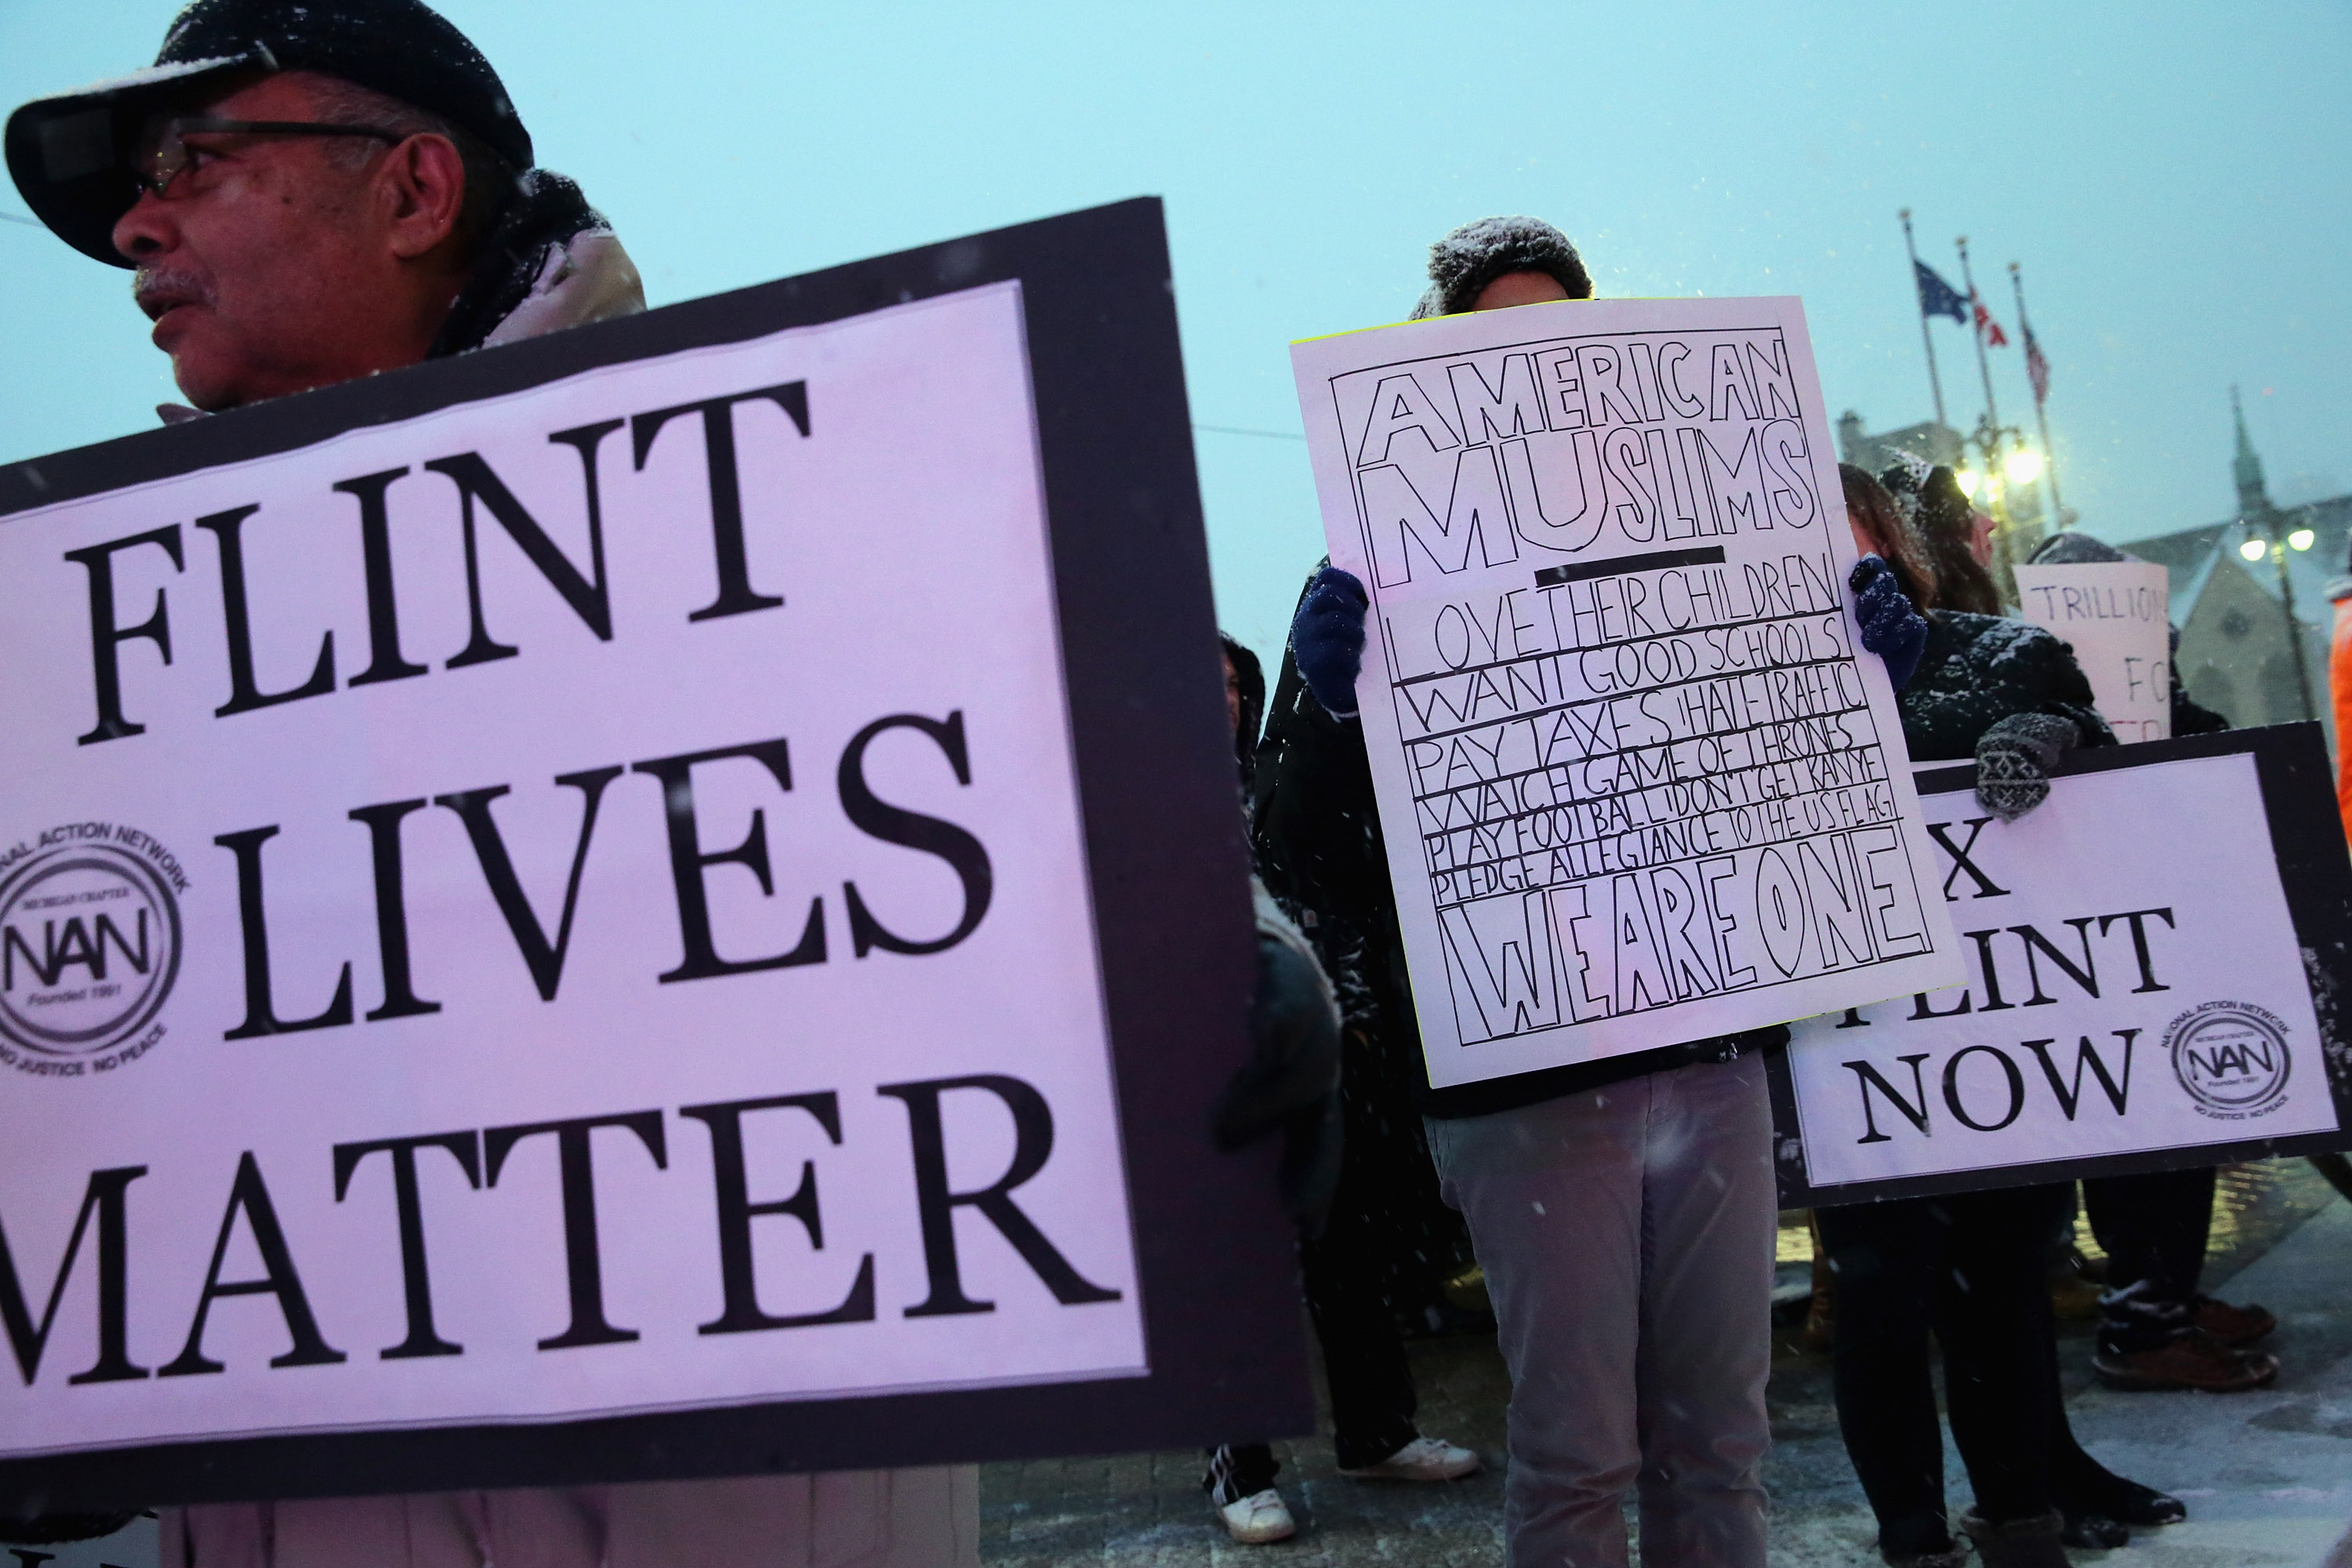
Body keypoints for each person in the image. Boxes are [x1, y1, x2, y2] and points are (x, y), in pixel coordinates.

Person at [4, 3, 985, 1563]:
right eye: (139, 178)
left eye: (195, 156)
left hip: (722, 1447)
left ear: (412, 192)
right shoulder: (101, 659)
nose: (136, 220)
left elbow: (1020, 788)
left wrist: (1232, 949)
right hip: (299, 1468)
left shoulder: (753, 499)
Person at [1253, 216, 1927, 1568]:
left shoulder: (1727, 544)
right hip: (1525, 1084)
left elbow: (1781, 782)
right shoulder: (1373, 583)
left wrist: (1860, 685)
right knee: (1577, 1451)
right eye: (1495, 334)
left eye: (1553, 330)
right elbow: (1297, 846)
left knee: (1721, 1440)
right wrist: (1333, 705)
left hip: (1709, 1057)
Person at [1817, 470, 2183, 1568]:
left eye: (1841, 535)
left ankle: (2024, 1520)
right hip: (1862, 1054)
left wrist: (2057, 733)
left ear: (1889, 540)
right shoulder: (1758, 697)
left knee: (2004, 1291)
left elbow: (2117, 787)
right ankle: (1914, 1538)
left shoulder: (1998, 651)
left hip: (2004, 1046)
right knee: (1881, 1304)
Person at [2020, 533, 2279, 1396]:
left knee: (2187, 1139)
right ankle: (2139, 1320)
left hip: (2171, 950)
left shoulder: (2162, 701)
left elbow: (2206, 759)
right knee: (2138, 1145)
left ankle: (2167, 1293)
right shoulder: (2041, 704)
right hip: (2105, 967)